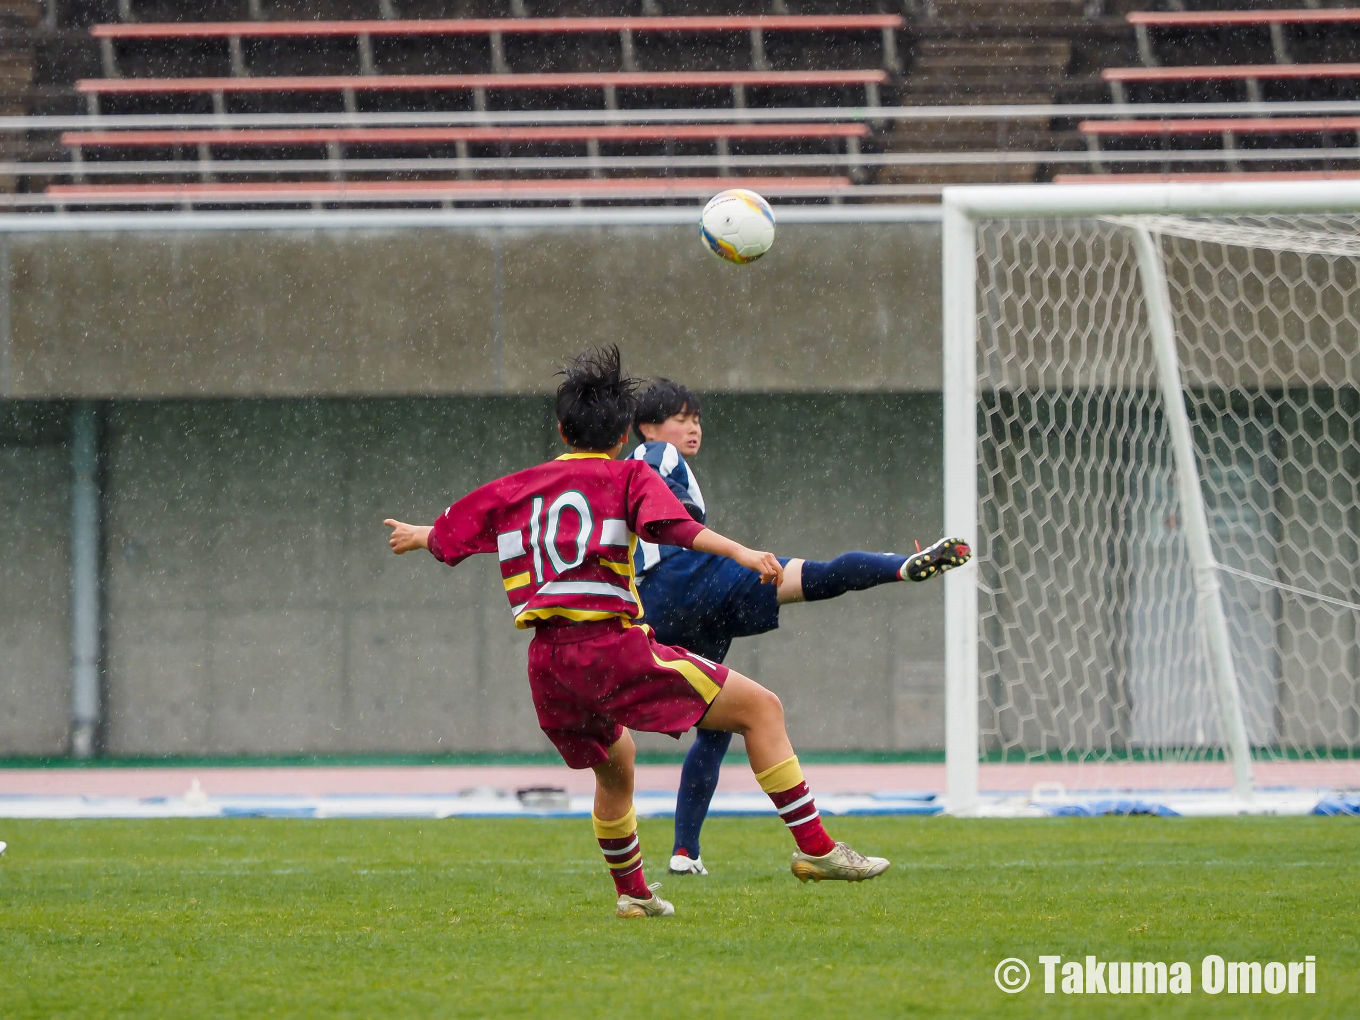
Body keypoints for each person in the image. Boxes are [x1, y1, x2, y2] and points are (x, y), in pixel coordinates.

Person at [383, 347, 889, 919]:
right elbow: (675, 527)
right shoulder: (628, 476)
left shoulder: (520, 486)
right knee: (761, 710)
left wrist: (419, 534)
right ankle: (818, 850)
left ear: (560, 428)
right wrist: (742, 551)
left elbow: (457, 531)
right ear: (625, 434)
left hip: (548, 664)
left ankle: (633, 893)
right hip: (608, 646)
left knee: (615, 762)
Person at [629, 378, 971, 877]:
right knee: (820, 574)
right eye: (681, 417)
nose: (693, 427)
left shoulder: (634, 469)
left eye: (696, 418)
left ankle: (685, 854)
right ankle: (900, 565)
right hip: (686, 580)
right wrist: (733, 553)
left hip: (662, 607)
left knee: (718, 724)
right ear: (647, 426)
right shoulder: (654, 457)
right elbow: (668, 522)